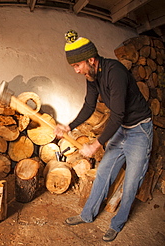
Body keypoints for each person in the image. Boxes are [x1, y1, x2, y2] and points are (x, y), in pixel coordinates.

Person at [54, 30, 153, 242]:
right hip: (122, 128)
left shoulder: (115, 72)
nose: (76, 71)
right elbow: (89, 105)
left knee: (131, 183)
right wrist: (69, 126)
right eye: (74, 67)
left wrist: (95, 144)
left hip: (139, 131)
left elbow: (118, 114)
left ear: (91, 59)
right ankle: (87, 215)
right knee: (103, 173)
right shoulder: (92, 75)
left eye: (77, 65)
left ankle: (117, 224)